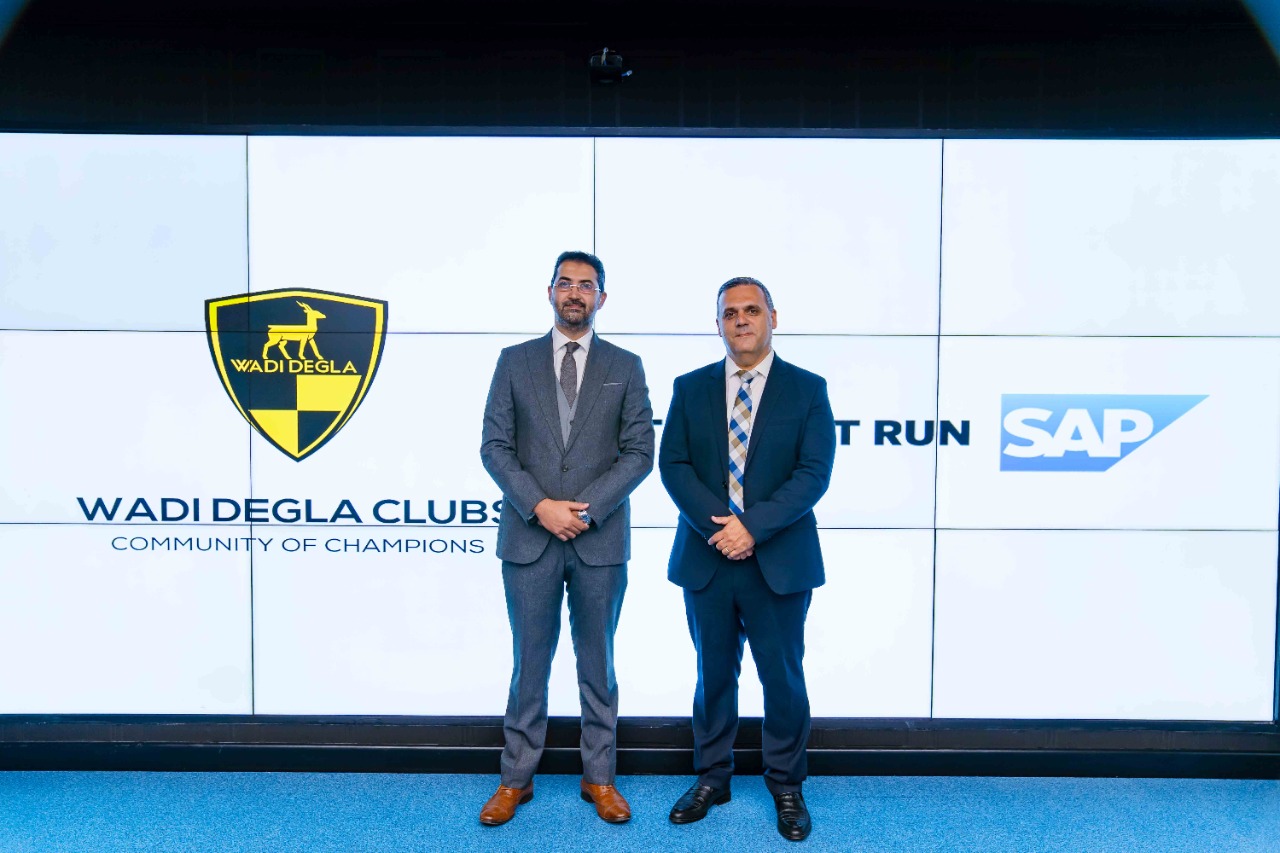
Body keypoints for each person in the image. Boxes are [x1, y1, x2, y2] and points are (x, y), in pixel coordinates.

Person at [478, 250, 655, 827]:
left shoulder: (626, 366)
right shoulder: (514, 361)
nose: (575, 292)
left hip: (598, 541)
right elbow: (495, 447)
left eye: (586, 285)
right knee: (528, 664)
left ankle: (599, 777)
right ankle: (515, 780)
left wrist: (586, 511)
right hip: (529, 538)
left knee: (598, 665)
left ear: (601, 298)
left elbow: (640, 453)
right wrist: (540, 506)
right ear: (550, 291)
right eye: (565, 283)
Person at [658, 276, 836, 842]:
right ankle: (712, 778)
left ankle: (786, 784)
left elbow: (813, 473)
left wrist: (751, 528)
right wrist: (722, 531)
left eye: (752, 310)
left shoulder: (807, 389)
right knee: (713, 676)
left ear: (772, 318)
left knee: (782, 678)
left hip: (777, 561)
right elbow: (673, 466)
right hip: (708, 558)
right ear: (718, 325)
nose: (741, 320)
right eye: (730, 312)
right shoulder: (690, 388)